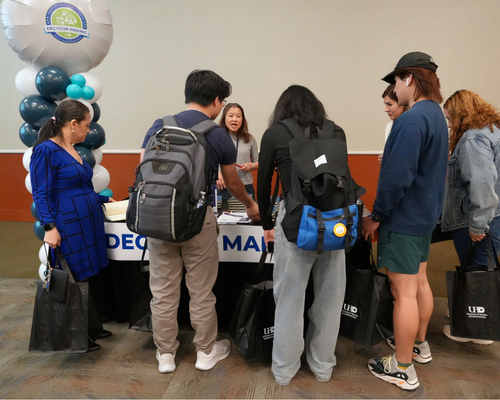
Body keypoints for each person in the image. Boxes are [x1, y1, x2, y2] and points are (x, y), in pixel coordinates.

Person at [139, 70, 260, 374]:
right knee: (201, 290)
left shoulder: (159, 124)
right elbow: (233, 183)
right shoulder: (217, 134)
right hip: (198, 219)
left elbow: (142, 167)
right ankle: (206, 351)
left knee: (163, 290)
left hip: (158, 217)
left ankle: (165, 354)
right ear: (217, 100)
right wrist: (250, 205)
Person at [362, 52, 449, 390]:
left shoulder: (410, 121)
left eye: (396, 81)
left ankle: (401, 367)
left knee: (404, 293)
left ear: (409, 79)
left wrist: (376, 216)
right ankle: (417, 345)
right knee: (419, 285)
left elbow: (396, 178)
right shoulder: (436, 116)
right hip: (425, 217)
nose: (394, 89)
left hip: (404, 221)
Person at [257, 85, 349, 385]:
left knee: (289, 297)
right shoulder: (337, 133)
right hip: (335, 220)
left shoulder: (276, 134)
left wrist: (266, 225)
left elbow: (263, 183)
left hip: (295, 220)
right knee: (330, 296)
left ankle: (284, 369)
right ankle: (323, 365)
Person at [30, 99, 113, 352]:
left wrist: (102, 199)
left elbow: (78, 187)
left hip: (87, 220)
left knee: (89, 273)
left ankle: (92, 326)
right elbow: (41, 194)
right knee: (76, 276)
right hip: (68, 223)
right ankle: (79, 335)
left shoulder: (72, 147)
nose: (89, 130)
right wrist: (49, 227)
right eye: (87, 125)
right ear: (73, 124)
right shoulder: (46, 150)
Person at [440, 90, 500, 345]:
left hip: (480, 218)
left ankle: (472, 329)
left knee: (475, 272)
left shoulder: (473, 139)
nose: (449, 124)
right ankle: (472, 317)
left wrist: (478, 224)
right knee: (484, 270)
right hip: (495, 216)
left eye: (450, 117)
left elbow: (481, 183)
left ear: (461, 114)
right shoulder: (493, 131)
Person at [216, 103, 259, 203]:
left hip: (245, 186)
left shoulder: (250, 139)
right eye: (231, 116)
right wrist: (217, 173)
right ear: (224, 118)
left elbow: (258, 163)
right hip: (223, 186)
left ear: (242, 119)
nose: (234, 119)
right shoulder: (217, 138)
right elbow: (209, 162)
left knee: (249, 216)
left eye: (238, 116)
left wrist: (251, 165)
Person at [378, 84, 406, 163]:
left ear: (401, 103)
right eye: (385, 105)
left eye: (389, 104)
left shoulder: (411, 126)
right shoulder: (390, 126)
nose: (386, 109)